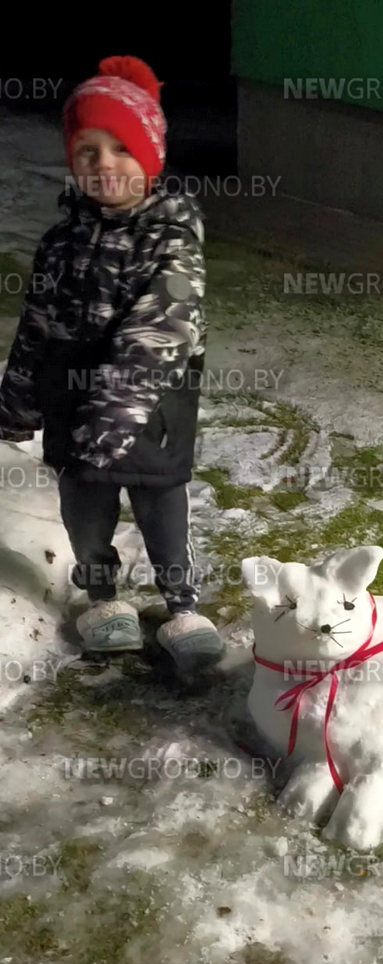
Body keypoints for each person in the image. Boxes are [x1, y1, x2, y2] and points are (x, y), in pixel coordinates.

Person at [0, 55, 224, 675]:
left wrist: (115, 410)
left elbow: (160, 327)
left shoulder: (173, 236)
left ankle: (181, 604)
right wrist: (17, 400)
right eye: (88, 151)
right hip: (74, 413)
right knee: (86, 516)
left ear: (151, 158)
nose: (104, 165)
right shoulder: (60, 240)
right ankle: (104, 600)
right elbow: (37, 327)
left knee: (161, 512)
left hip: (151, 413)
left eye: (121, 148)